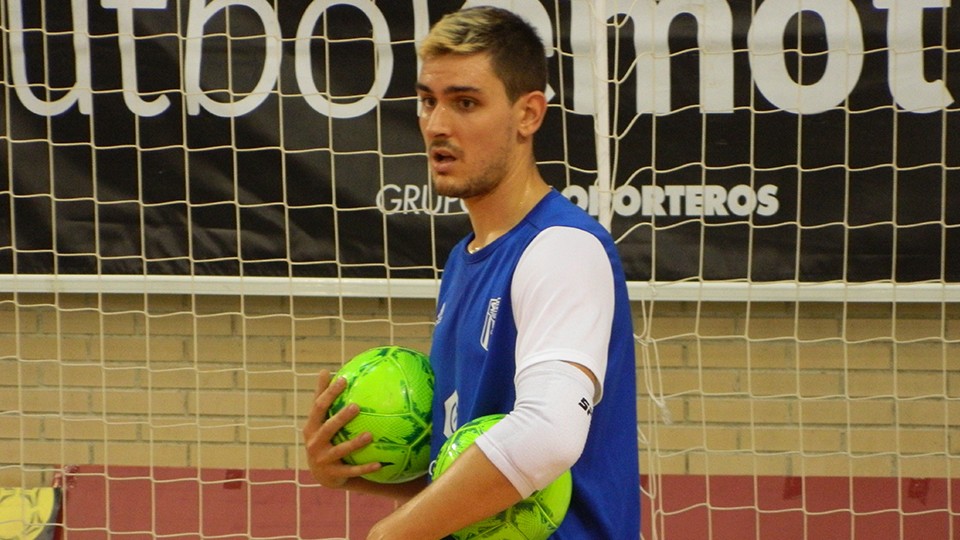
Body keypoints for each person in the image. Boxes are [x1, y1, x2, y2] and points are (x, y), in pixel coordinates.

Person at [302, 6, 640, 539]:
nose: (437, 125)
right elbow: (494, 494)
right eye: (427, 102)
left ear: (528, 114)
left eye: (465, 102)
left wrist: (392, 533)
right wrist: (361, 472)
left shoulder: (562, 249)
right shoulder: (467, 258)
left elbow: (549, 435)